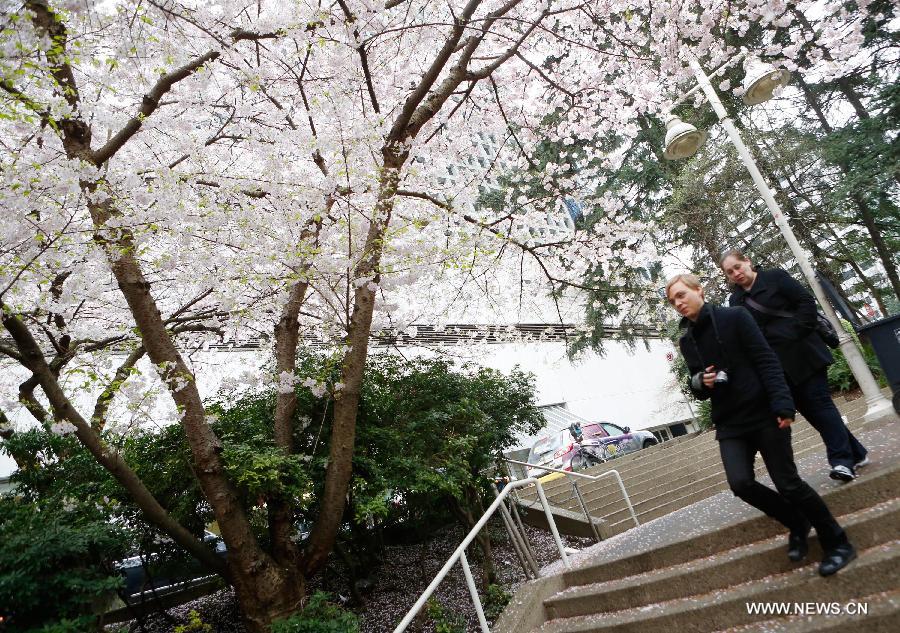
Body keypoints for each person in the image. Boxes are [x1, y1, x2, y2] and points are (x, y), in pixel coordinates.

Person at [666, 273, 855, 576]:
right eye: (673, 300)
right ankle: (797, 522)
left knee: (788, 484)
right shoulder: (687, 340)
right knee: (740, 483)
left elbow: (766, 359)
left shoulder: (736, 317)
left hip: (765, 412)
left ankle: (838, 542)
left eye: (681, 295)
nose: (678, 303)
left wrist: (783, 403)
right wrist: (700, 380)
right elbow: (696, 383)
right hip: (730, 421)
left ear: (698, 290)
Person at [719, 250, 868, 482]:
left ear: (747, 261)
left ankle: (842, 461)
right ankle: (857, 453)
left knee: (820, 406)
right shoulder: (735, 301)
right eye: (730, 272)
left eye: (738, 266)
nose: (736, 273)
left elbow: (805, 302)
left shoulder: (775, 277)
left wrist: (795, 331)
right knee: (813, 413)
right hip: (778, 368)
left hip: (804, 353)